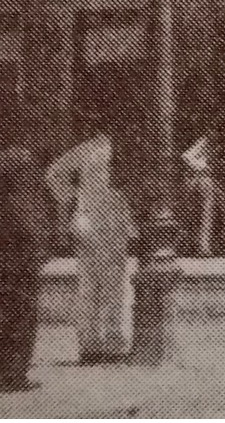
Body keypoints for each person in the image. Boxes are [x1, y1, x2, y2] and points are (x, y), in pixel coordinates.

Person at [45, 126, 136, 364]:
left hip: (96, 222)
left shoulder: (86, 150)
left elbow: (53, 175)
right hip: (107, 222)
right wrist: (76, 199)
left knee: (92, 285)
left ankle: (91, 343)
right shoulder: (114, 149)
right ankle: (110, 342)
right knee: (112, 285)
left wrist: (74, 199)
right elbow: (53, 174)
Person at [0, 121, 50, 391]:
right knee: (21, 313)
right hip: (19, 254)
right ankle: (14, 375)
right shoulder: (21, 162)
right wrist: (40, 246)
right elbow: (26, 212)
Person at [181, 130, 219, 257]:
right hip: (201, 178)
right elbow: (186, 156)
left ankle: (200, 245)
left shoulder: (208, 143)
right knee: (204, 213)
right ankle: (202, 247)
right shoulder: (204, 142)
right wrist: (201, 166)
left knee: (199, 213)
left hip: (198, 179)